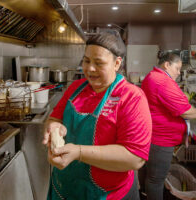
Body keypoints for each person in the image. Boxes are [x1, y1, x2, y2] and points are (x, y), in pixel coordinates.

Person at [42, 32, 152, 200]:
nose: (90, 69)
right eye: (86, 61)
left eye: (98, 63)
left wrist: (78, 152)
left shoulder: (131, 97)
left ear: (117, 63)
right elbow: (55, 118)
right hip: (65, 189)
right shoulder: (76, 88)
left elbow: (135, 158)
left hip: (107, 194)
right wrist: (54, 127)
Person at [140, 51, 196, 200]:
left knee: (151, 176)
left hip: (154, 135)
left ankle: (145, 194)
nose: (179, 73)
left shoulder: (154, 76)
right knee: (156, 180)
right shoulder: (161, 80)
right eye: (177, 68)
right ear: (166, 65)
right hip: (160, 140)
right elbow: (185, 112)